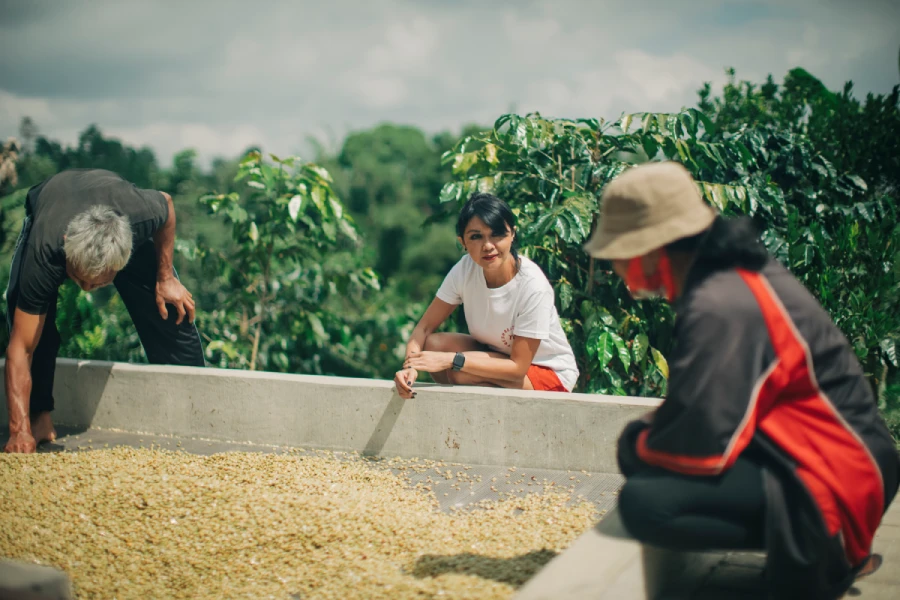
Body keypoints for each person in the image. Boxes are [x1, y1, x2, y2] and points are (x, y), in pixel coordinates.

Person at [583, 161, 899, 599]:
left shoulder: (721, 303)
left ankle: (829, 552)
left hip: (835, 476)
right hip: (833, 457)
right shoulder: (728, 276)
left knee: (643, 501)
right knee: (645, 455)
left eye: (621, 252)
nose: (616, 265)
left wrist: (637, 442)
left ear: (656, 247)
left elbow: (703, 446)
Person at [4, 169, 205, 454]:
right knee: (32, 324)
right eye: (81, 278)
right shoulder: (47, 248)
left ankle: (193, 408)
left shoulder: (141, 214)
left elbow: (168, 204)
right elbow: (20, 349)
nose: (86, 289)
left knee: (168, 303)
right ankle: (38, 420)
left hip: (113, 222)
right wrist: (18, 431)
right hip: (50, 210)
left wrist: (165, 277)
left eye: (99, 283)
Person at [395, 193, 579, 397]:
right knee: (434, 345)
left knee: (461, 373)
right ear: (462, 242)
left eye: (497, 234)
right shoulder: (464, 270)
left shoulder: (532, 285)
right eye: (476, 236)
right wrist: (410, 367)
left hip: (546, 371)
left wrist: (452, 360)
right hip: (499, 356)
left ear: (513, 234)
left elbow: (518, 368)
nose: (488, 246)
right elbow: (425, 327)